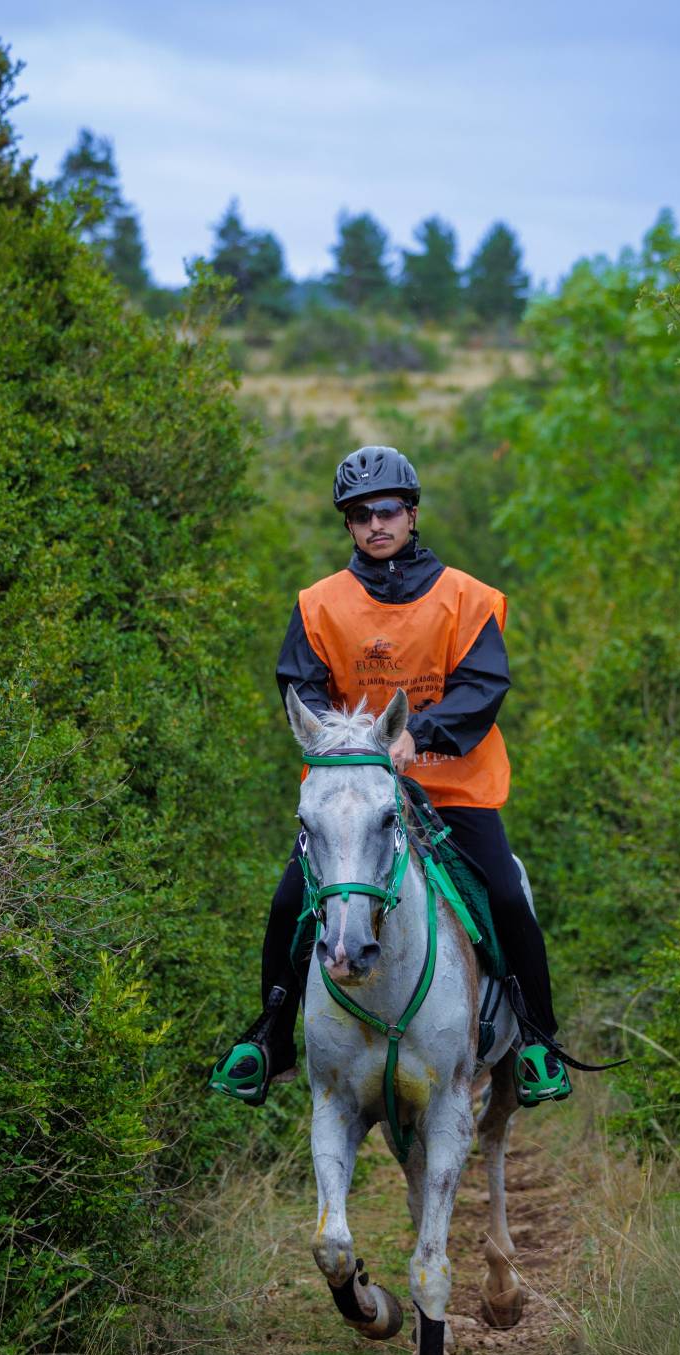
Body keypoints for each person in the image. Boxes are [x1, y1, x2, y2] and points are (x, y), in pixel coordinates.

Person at [209, 444, 570, 1108]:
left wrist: (416, 734)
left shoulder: (467, 598)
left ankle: (538, 1042)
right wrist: (348, 742)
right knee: (289, 903)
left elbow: (483, 686)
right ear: (348, 524)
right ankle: (270, 1040)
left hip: (452, 790)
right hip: (352, 796)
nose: (375, 524)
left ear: (411, 514)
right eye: (359, 515)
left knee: (505, 896)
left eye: (387, 511)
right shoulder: (318, 604)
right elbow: (302, 689)